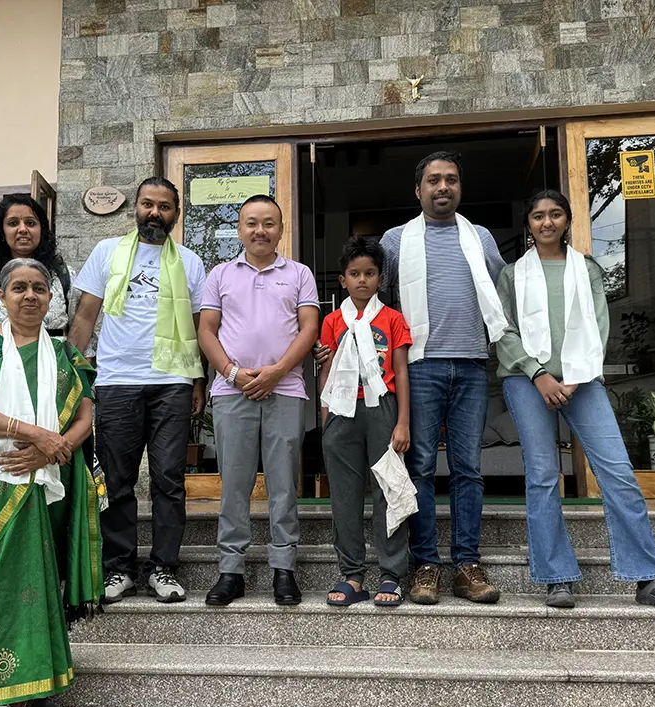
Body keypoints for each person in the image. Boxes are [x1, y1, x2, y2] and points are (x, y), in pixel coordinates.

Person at [314, 151, 508, 605]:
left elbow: (502, 292)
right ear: (418, 190)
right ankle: (423, 565)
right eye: (434, 181)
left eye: (452, 180)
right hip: (418, 365)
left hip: (472, 363)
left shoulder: (478, 237)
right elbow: (380, 301)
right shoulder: (397, 240)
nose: (444, 188)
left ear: (460, 187)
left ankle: (466, 564)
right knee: (417, 467)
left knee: (468, 468)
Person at [495, 189, 655, 611]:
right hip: (527, 381)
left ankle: (649, 578)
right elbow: (502, 331)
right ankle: (556, 577)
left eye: (554, 215)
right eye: (537, 216)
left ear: (567, 220)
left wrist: (573, 377)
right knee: (544, 475)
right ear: (528, 224)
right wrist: (539, 374)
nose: (546, 222)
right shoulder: (512, 274)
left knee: (618, 473)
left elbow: (598, 326)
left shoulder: (587, 269)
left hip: (582, 380)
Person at [0, 258, 101, 707]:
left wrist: (54, 449)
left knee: (37, 584)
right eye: (19, 287)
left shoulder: (66, 353)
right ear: (1, 297)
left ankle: (34, 690)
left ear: (52, 299)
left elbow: (85, 415)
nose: (29, 295)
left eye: (39, 288)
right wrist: (36, 434)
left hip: (47, 484)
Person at [68, 177, 208, 605]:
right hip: (116, 381)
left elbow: (201, 325)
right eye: (148, 204)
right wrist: (69, 372)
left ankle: (164, 567)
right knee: (117, 479)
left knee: (169, 479)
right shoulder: (107, 251)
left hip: (172, 383)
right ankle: (119, 569)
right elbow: (86, 316)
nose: (154, 213)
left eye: (164, 207)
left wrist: (199, 380)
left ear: (175, 214)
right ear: (137, 208)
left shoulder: (190, 261)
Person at [197, 194, 319, 607]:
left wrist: (276, 372)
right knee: (234, 484)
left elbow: (308, 329)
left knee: (284, 483)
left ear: (281, 229)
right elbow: (207, 332)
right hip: (232, 392)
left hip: (284, 391)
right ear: (240, 229)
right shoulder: (220, 275)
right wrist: (233, 372)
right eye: (252, 223)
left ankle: (284, 570)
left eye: (269, 223)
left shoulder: (300, 274)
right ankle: (231, 571)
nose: (260, 230)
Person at [319, 236, 412, 607]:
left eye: (369, 273)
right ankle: (353, 575)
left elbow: (402, 372)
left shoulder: (392, 319)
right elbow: (324, 372)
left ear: (380, 278)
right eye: (354, 274)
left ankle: (391, 574)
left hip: (382, 410)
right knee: (344, 496)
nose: (362, 280)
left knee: (389, 491)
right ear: (342, 279)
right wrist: (325, 421)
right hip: (341, 413)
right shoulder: (331, 321)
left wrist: (403, 422)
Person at [0, 195, 82, 350]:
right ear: (2, 232)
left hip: (56, 365)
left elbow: (81, 327)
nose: (23, 229)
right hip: (1, 365)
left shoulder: (63, 275)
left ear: (41, 229)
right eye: (13, 223)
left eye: (30, 223)